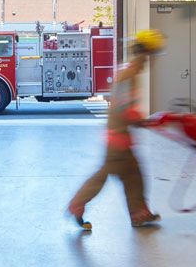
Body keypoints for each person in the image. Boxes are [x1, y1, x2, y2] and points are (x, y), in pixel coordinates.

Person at [68, 29, 164, 230]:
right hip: (117, 138)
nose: (150, 61)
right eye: (150, 56)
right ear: (144, 54)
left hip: (121, 137)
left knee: (133, 175)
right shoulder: (128, 73)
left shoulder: (130, 72)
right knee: (106, 175)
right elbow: (122, 108)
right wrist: (143, 121)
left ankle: (138, 213)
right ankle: (77, 204)